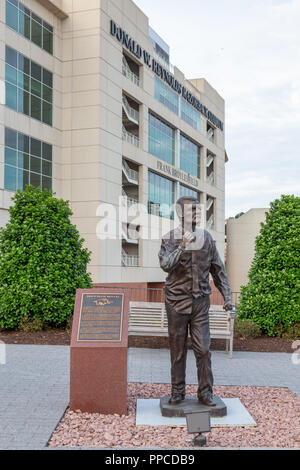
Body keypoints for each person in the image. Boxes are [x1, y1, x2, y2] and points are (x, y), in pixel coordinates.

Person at [158, 196, 232, 406]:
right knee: (178, 351)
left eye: (198, 211)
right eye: (192, 210)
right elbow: (166, 265)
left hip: (200, 303)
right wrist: (182, 247)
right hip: (176, 302)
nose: (197, 214)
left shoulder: (207, 239)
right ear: (181, 213)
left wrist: (227, 296)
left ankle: (205, 393)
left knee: (204, 349)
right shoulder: (169, 238)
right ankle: (177, 392)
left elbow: (218, 270)